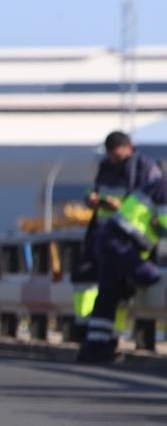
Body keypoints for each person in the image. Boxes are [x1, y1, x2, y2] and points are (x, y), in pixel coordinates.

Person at [73, 132, 162, 339]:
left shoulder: (145, 169)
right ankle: (94, 335)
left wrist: (121, 206)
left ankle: (106, 336)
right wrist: (92, 198)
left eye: (117, 155)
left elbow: (152, 205)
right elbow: (93, 189)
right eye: (111, 155)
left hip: (129, 240)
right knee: (98, 283)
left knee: (122, 286)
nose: (114, 160)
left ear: (128, 147)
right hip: (104, 235)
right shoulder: (106, 167)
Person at [77, 175, 165, 363]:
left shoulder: (154, 186)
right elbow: (164, 224)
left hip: (113, 240)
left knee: (111, 293)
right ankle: (97, 347)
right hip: (123, 244)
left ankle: (96, 346)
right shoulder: (164, 188)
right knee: (151, 276)